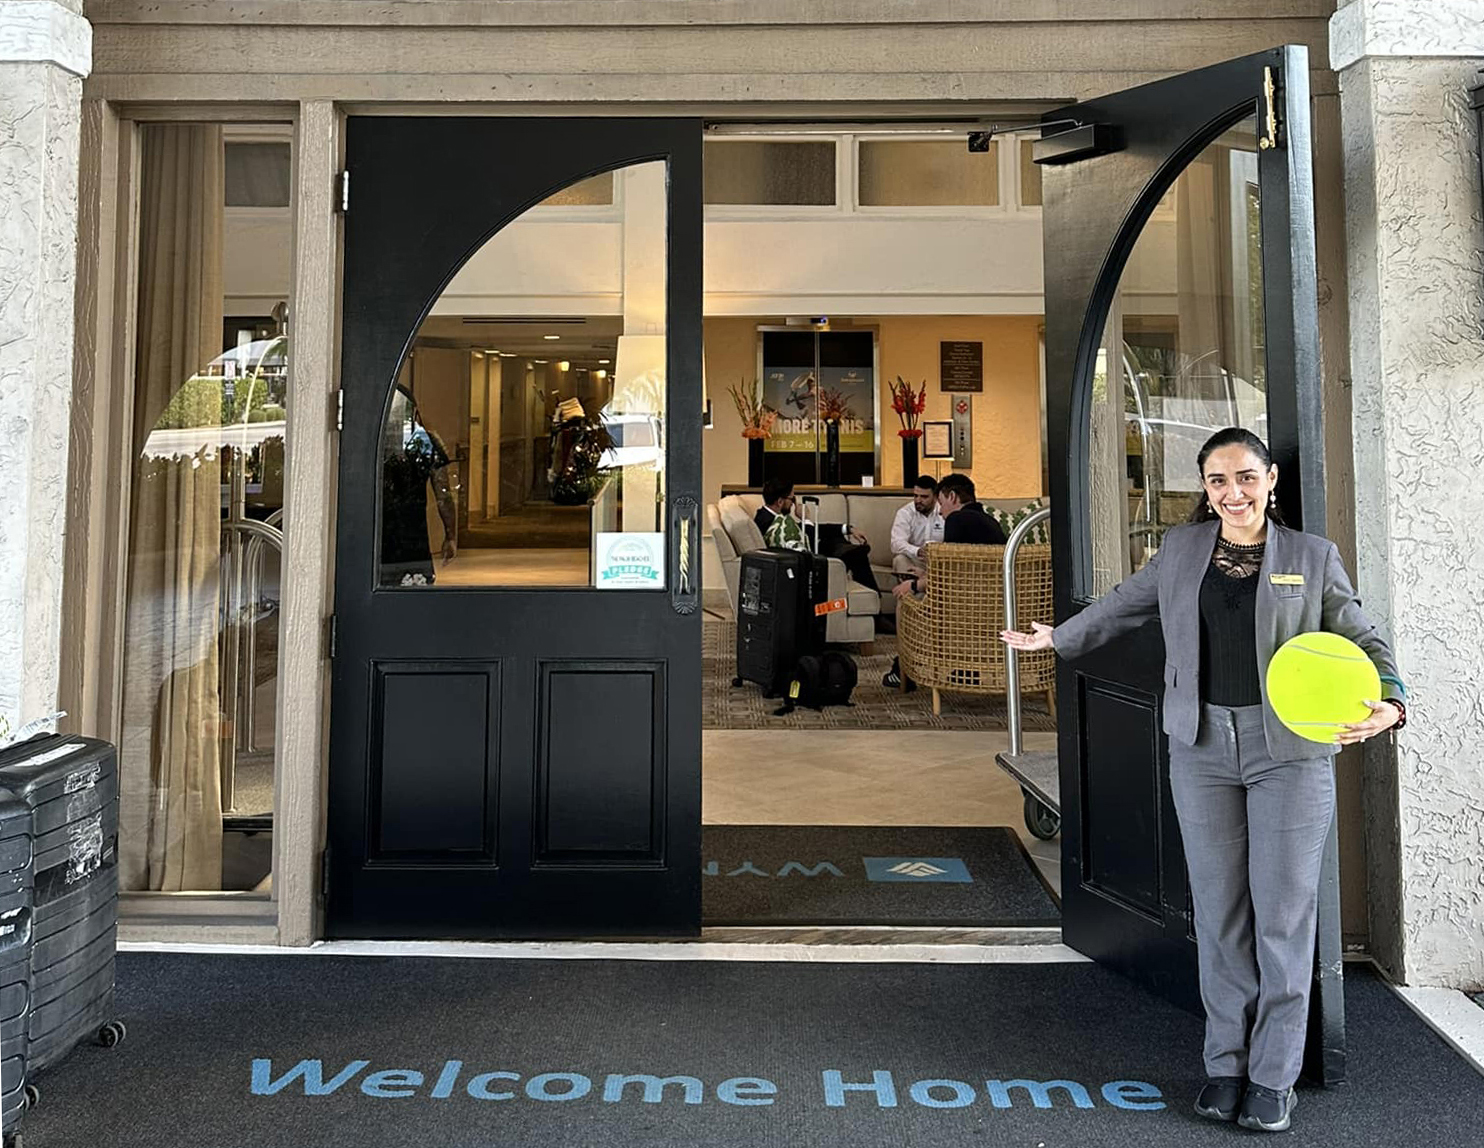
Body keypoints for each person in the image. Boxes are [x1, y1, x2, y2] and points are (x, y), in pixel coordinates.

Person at [1001, 427, 1406, 1134]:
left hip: (1289, 754)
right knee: (1220, 917)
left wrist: (1393, 702)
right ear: (1206, 488)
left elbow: (1366, 638)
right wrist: (1056, 638)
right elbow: (1123, 604)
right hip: (1201, 749)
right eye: (1218, 481)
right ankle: (1225, 1065)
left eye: (1246, 477)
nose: (1233, 493)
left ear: (1271, 479)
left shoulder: (1312, 558)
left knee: (1282, 919)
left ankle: (1273, 1076)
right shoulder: (1183, 552)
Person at [883, 473, 1007, 688]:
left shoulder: (957, 520)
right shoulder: (991, 522)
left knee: (907, 601)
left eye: (941, 503)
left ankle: (903, 667)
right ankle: (963, 668)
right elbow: (965, 572)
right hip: (995, 607)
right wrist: (925, 576)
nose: (941, 511)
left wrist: (913, 584)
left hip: (962, 611)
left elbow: (951, 579)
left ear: (952, 497)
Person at [380, 383, 457, 586]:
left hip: (378, 535)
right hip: (413, 537)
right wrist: (451, 535)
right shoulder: (423, 441)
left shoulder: (375, 444)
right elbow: (443, 495)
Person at [754, 477, 878, 592]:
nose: (793, 504)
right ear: (780, 501)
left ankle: (851, 551)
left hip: (807, 556)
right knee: (856, 555)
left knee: (840, 542)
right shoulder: (771, 523)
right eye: (792, 498)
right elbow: (809, 543)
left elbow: (809, 531)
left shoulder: (772, 517)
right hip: (805, 562)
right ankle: (854, 555)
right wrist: (805, 519)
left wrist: (848, 529)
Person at [889, 475, 945, 580]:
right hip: (915, 561)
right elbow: (896, 544)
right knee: (899, 559)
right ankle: (911, 593)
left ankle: (918, 593)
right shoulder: (905, 513)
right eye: (915, 496)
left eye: (924, 497)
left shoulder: (944, 512)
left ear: (936, 497)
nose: (918, 500)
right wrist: (917, 551)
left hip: (940, 564)